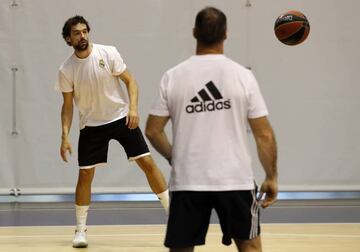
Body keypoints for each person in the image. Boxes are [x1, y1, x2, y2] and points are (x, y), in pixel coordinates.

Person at [146, 7, 278, 252]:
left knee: (181, 249)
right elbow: (265, 135)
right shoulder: (242, 76)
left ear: (195, 32)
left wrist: (174, 157)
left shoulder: (173, 77)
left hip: (188, 181)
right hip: (235, 180)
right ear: (226, 34)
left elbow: (153, 131)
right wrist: (271, 177)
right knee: (249, 246)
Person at [56, 15, 169, 248]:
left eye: (85, 31)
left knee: (147, 163)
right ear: (69, 39)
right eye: (77, 33)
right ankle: (80, 231)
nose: (83, 36)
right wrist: (65, 135)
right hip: (91, 126)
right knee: (85, 175)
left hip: (120, 118)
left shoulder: (108, 53)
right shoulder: (66, 69)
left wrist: (133, 108)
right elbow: (67, 106)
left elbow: (131, 81)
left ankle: (175, 217)